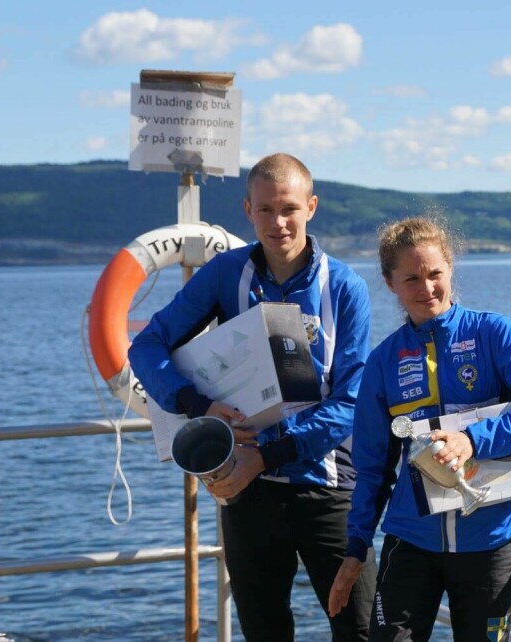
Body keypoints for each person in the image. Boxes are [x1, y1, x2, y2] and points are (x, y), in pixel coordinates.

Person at [128, 153, 376, 641]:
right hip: (247, 491)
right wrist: (196, 406)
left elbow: (351, 402)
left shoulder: (344, 286)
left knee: (361, 628)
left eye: (289, 208)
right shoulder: (226, 274)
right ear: (247, 210)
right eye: (265, 210)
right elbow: (147, 347)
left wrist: (266, 455)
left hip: (325, 485)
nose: (278, 222)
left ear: (311, 207)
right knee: (264, 632)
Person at [327, 216, 511, 641]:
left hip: (490, 543)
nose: (427, 289)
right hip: (410, 542)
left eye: (435, 274)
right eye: (412, 279)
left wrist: (472, 440)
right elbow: (371, 469)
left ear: (451, 269)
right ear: (391, 284)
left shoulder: (492, 333)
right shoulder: (384, 362)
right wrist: (355, 548)